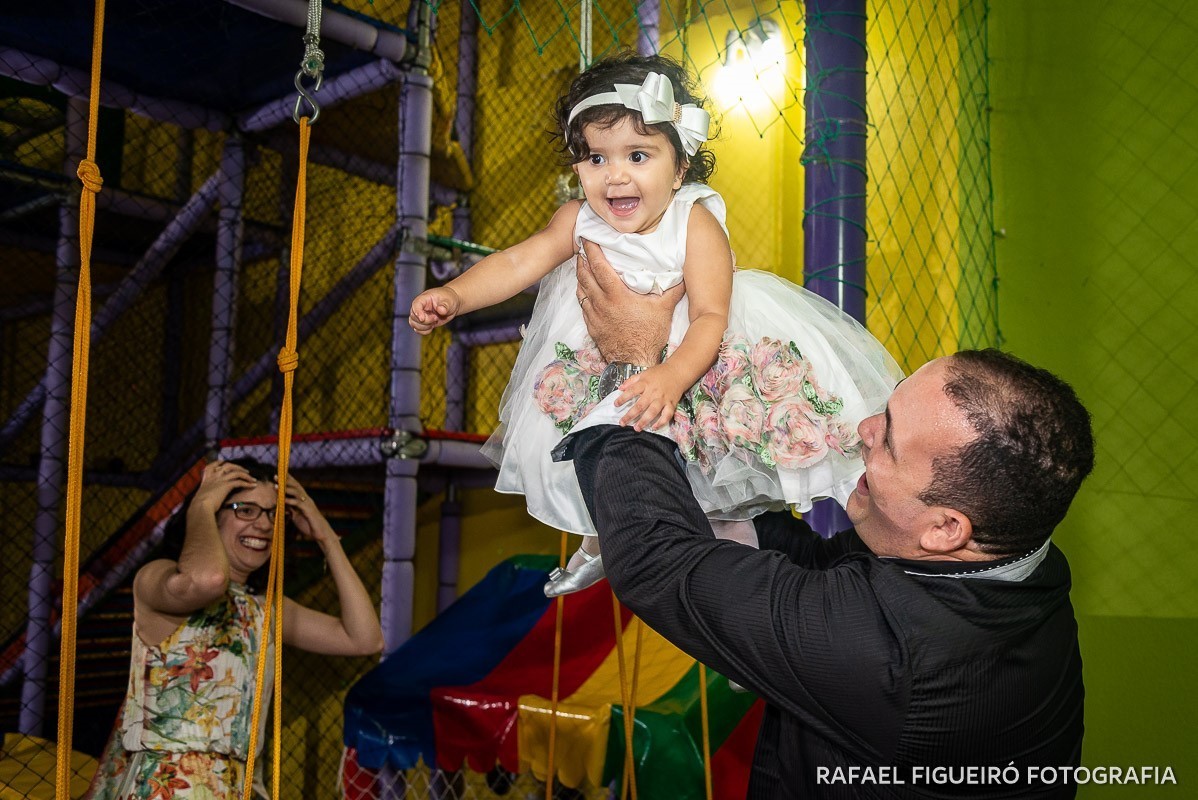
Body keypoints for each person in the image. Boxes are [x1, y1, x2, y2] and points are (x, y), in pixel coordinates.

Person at [558, 242, 1095, 799]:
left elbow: (657, 564)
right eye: (887, 408)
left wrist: (633, 368)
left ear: (944, 529)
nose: (864, 429)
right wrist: (723, 515)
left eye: (888, 442)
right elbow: (826, 566)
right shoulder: (1015, 553)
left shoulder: (889, 658)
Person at [409, 52, 902, 597]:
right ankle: (602, 539)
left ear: (680, 167)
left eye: (638, 155)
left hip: (697, 360)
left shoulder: (694, 220)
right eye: (596, 158)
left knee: (715, 460)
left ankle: (790, 537)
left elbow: (711, 314)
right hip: (605, 359)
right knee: (600, 444)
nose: (615, 175)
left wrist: (671, 376)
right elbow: (516, 262)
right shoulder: (577, 219)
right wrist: (455, 295)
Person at [84, 458, 384, 800]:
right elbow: (208, 580)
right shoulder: (158, 577)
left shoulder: (264, 609)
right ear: (212, 513)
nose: (264, 524)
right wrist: (201, 505)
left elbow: (365, 638)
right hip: (167, 787)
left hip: (235, 787)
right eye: (246, 510)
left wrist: (326, 537)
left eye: (273, 514)